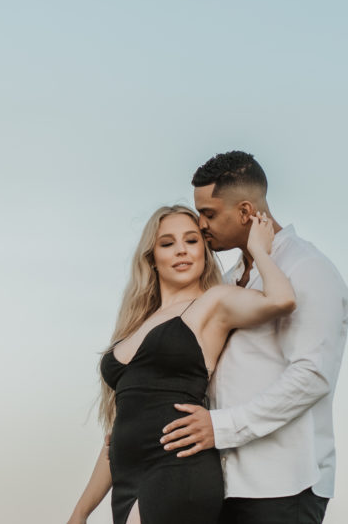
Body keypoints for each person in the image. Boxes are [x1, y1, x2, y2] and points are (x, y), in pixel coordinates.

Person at [67, 204, 295, 524]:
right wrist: (80, 512)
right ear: (152, 258)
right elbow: (117, 434)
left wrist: (258, 250)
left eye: (191, 241)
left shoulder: (212, 303)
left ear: (204, 252)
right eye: (168, 243)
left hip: (178, 469)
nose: (181, 251)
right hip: (127, 482)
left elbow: (282, 300)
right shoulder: (134, 325)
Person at [159, 151, 348, 524]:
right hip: (222, 485)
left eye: (209, 214)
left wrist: (219, 427)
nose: (201, 225)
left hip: (282, 487)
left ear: (245, 212)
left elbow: (312, 377)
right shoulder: (229, 279)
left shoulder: (308, 269)